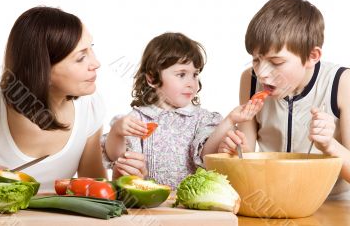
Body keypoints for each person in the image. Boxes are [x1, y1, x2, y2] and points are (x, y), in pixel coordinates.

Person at [0, 7, 106, 193]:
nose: (96, 64)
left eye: (91, 49)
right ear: (43, 70)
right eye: (81, 58)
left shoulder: (90, 105)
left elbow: (95, 188)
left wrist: (122, 171)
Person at [217, 0, 350, 199]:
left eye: (276, 62)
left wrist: (329, 145)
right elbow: (247, 155)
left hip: (328, 203)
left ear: (312, 56)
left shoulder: (342, 83)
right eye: (256, 60)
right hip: (272, 199)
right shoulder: (250, 80)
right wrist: (234, 150)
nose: (262, 73)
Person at [101, 32, 263, 189]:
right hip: (151, 203)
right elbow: (119, 156)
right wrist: (117, 132)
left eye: (195, 74)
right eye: (181, 74)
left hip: (191, 206)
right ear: (151, 78)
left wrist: (230, 120)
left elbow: (207, 155)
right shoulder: (139, 119)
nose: (191, 83)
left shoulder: (201, 119)